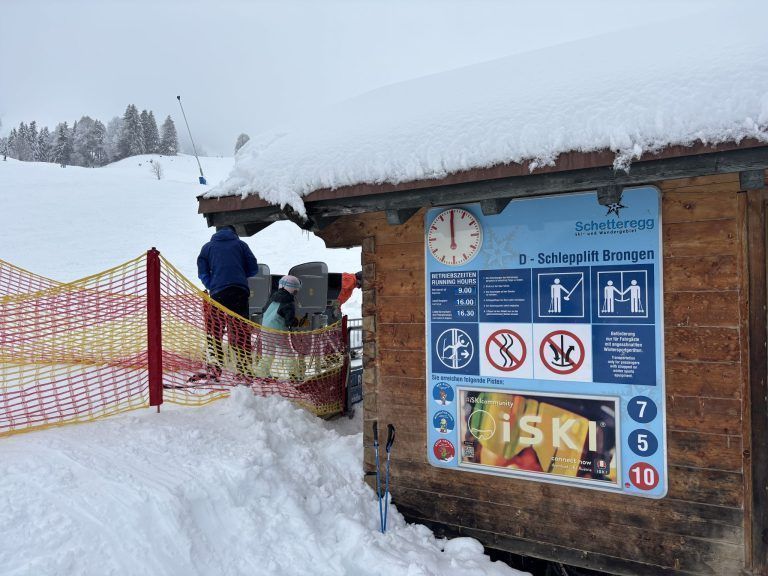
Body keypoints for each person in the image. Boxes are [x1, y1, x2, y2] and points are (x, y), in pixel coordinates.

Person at [196, 225, 258, 380]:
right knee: (241, 331)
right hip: (239, 292)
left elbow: (202, 272)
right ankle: (244, 370)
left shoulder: (207, 248)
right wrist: (240, 276)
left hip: (218, 294)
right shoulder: (241, 245)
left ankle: (215, 368)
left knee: (215, 330)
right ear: (234, 233)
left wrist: (212, 285)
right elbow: (254, 268)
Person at [257, 275, 304, 379]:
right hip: (277, 331)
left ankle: (261, 374)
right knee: (288, 352)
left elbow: (264, 310)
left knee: (268, 353)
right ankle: (294, 375)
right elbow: (289, 321)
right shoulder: (288, 302)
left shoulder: (273, 298)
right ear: (294, 290)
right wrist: (298, 322)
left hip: (265, 329)